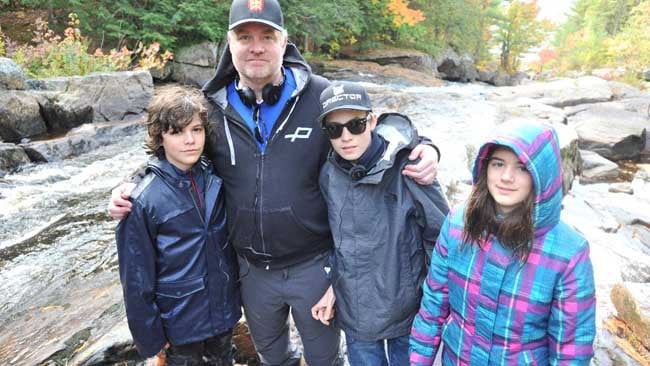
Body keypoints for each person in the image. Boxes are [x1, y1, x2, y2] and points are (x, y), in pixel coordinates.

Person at [109, 0, 441, 364]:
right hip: (250, 271)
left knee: (325, 359)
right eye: (245, 36)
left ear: (284, 43)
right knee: (273, 358)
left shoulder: (319, 95)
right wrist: (133, 184)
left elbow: (369, 133)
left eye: (267, 36)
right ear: (230, 43)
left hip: (314, 265)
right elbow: (175, 154)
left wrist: (423, 146)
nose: (256, 46)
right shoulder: (210, 106)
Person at [409, 121, 597, 365]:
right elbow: (433, 306)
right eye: (498, 164)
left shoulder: (568, 254)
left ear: (543, 175)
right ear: (485, 167)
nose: (506, 177)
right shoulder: (457, 223)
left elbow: (571, 352)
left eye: (522, 168)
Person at [310, 81, 450, 366]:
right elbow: (338, 242)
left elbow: (442, 240)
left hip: (409, 311)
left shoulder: (411, 166)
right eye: (335, 129)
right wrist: (333, 285)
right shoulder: (328, 174)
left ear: (372, 121)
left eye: (356, 125)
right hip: (356, 312)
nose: (346, 137)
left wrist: (435, 302)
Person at [115, 86, 241, 366]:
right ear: (160, 137)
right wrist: (152, 339)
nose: (190, 140)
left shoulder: (215, 175)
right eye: (177, 132)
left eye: (197, 130)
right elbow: (136, 282)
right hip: (180, 325)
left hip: (222, 313)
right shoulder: (142, 200)